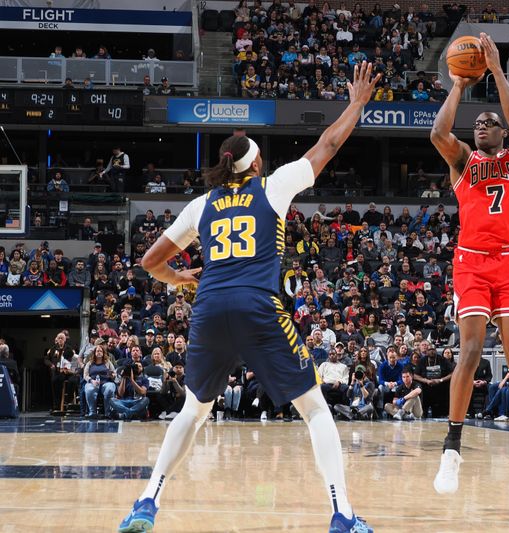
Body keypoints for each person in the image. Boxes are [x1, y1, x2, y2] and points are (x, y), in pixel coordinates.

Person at [118, 62, 380, 533]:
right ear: (257, 163)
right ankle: (342, 514)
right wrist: (356, 103)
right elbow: (328, 144)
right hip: (259, 306)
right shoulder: (274, 187)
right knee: (315, 408)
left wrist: (181, 279)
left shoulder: (202, 206)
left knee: (194, 411)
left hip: (211, 307)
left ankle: (145, 503)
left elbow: (150, 263)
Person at [429, 33, 509, 500]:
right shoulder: (462, 161)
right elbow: (438, 133)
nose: (482, 125)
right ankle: (452, 448)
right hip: (472, 265)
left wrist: (496, 71)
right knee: (470, 351)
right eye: (478, 123)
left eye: (489, 122)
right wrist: (458, 84)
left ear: (502, 134)